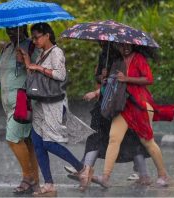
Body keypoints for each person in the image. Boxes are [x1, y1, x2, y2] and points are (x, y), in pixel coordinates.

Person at [20, 22, 94, 196]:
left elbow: (60, 75)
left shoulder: (56, 52)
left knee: (49, 143)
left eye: (37, 37)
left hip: (53, 103)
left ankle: (82, 168)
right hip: (40, 103)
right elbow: (36, 77)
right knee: (37, 143)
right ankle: (49, 184)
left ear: (47, 35)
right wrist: (27, 61)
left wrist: (37, 67)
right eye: (33, 37)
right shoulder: (41, 54)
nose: (35, 40)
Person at [65, 42, 151, 191]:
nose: (101, 43)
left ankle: (142, 174)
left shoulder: (126, 56)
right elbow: (102, 79)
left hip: (121, 104)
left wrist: (104, 85)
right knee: (99, 137)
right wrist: (102, 77)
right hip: (107, 102)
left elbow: (126, 81)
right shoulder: (105, 54)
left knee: (129, 138)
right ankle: (86, 173)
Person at [95, 43, 174, 188]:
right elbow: (113, 83)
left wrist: (127, 78)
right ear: (117, 47)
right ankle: (105, 177)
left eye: (127, 45)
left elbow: (148, 79)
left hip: (140, 105)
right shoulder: (117, 62)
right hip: (123, 106)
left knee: (147, 141)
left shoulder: (139, 58)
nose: (125, 48)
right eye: (121, 46)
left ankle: (163, 175)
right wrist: (104, 79)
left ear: (133, 45)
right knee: (114, 138)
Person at [0, 25, 40, 195]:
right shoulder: (6, 49)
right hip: (8, 104)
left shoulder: (32, 47)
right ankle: (36, 182)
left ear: (24, 29)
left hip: (24, 102)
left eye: (15, 30)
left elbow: (40, 73)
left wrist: (25, 62)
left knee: (13, 138)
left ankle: (28, 178)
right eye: (9, 30)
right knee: (28, 142)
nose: (11, 33)